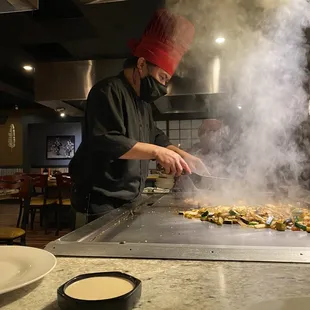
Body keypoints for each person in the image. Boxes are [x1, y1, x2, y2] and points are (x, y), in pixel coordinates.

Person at [69, 9, 208, 221]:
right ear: (141, 64)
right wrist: (156, 152)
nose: (163, 86)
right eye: (162, 77)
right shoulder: (107, 91)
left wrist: (180, 155)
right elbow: (107, 141)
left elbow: (154, 135)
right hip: (100, 201)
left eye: (166, 80)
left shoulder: (142, 102)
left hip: (130, 199)